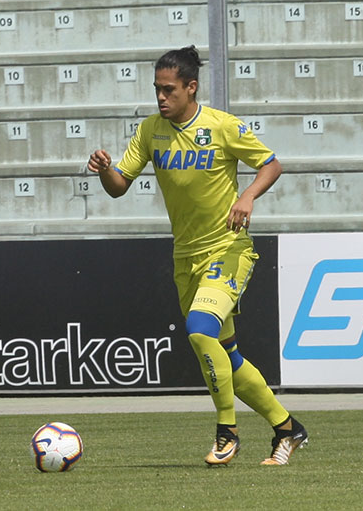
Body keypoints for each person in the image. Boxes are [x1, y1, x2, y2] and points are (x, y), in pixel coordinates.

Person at [88, 45, 307, 466]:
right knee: (228, 353)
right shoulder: (151, 130)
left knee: (199, 328)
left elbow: (271, 164)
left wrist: (247, 196)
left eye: (169, 90)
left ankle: (227, 432)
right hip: (185, 257)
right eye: (156, 89)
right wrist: (104, 170)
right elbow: (119, 186)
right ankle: (287, 429)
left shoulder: (221, 126)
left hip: (229, 249)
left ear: (191, 88)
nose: (160, 98)